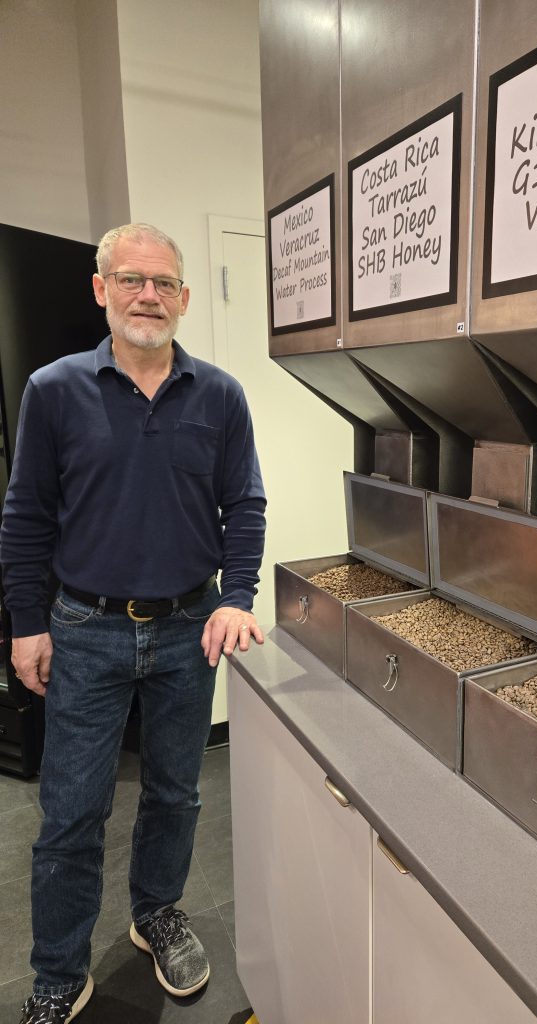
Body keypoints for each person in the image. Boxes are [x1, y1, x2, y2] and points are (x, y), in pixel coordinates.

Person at [0, 223, 267, 1024]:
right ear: (101, 289)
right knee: (73, 811)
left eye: (162, 283)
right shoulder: (53, 390)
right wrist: (25, 622)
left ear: (183, 298)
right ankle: (58, 972)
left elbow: (243, 504)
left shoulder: (219, 395)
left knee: (177, 794)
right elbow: (25, 517)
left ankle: (156, 914)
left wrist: (237, 596)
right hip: (84, 627)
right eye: (130, 280)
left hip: (191, 625)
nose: (147, 295)